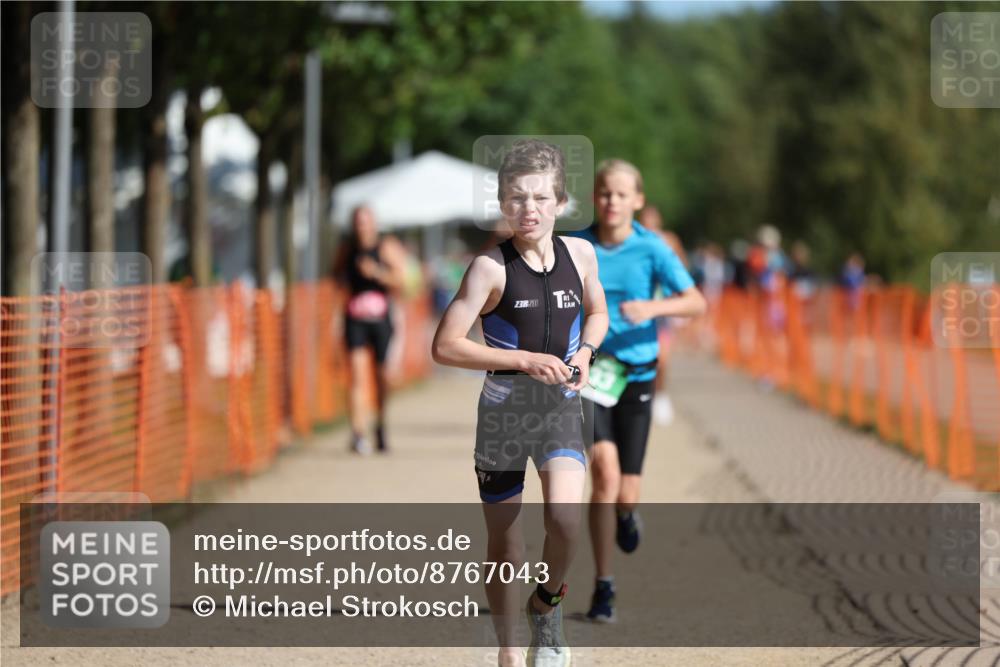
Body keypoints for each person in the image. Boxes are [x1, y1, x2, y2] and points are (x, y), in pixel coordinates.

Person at [432, 139, 608, 667]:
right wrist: (524, 360)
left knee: (565, 520)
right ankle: (509, 652)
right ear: (502, 203)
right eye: (516, 197)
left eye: (540, 197)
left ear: (560, 202)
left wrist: (586, 352)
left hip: (560, 408)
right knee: (506, 545)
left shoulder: (581, 255)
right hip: (503, 415)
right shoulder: (489, 267)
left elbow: (598, 312)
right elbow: (445, 345)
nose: (528, 208)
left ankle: (546, 607)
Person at [572, 159, 706, 623]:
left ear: (637, 200)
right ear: (595, 197)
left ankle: (628, 514)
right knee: (603, 477)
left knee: (627, 492)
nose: (612, 201)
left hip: (637, 376)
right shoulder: (577, 246)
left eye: (621, 194)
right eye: (604, 193)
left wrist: (652, 308)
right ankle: (603, 585)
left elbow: (696, 301)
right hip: (590, 376)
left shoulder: (653, 248)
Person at [333, 205, 407, 454]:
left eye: (365, 221)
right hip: (354, 317)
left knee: (382, 376)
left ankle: (380, 424)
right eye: (357, 222)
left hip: (381, 318)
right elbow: (335, 275)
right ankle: (358, 433)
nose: (361, 226)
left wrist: (376, 272)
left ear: (373, 223)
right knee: (356, 375)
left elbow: (402, 279)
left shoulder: (385, 246)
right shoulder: (347, 248)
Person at [638, 205, 689, 425]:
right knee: (642, 357)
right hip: (638, 307)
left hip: (662, 308)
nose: (648, 223)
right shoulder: (633, 240)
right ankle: (643, 398)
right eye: (645, 219)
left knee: (663, 358)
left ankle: (660, 395)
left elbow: (682, 268)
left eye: (652, 219)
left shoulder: (668, 240)